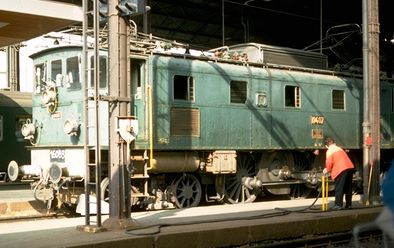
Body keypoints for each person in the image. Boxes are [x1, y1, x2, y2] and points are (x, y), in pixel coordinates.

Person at [323, 137, 355, 210]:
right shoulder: (339, 149)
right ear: (334, 143)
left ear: (326, 146)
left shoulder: (329, 151)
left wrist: (327, 169)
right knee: (348, 187)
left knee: (339, 187)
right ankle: (349, 204)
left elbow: (329, 162)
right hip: (350, 168)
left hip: (341, 169)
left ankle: (338, 205)